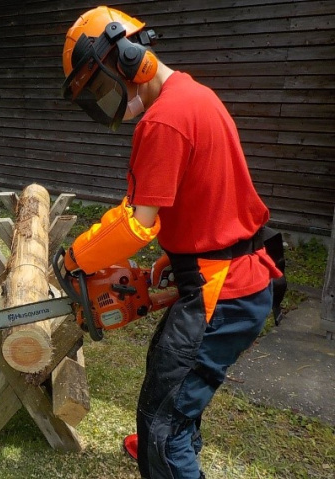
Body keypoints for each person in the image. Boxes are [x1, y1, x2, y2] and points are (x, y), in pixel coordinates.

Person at [60, 6, 285, 479]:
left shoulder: (163, 121)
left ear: (127, 58)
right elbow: (207, 199)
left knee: (164, 418)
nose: (107, 102)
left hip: (222, 290)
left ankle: (165, 453)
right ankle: (164, 446)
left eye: (100, 87)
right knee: (173, 378)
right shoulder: (192, 94)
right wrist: (173, 260)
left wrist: (77, 256)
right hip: (233, 277)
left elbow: (137, 223)